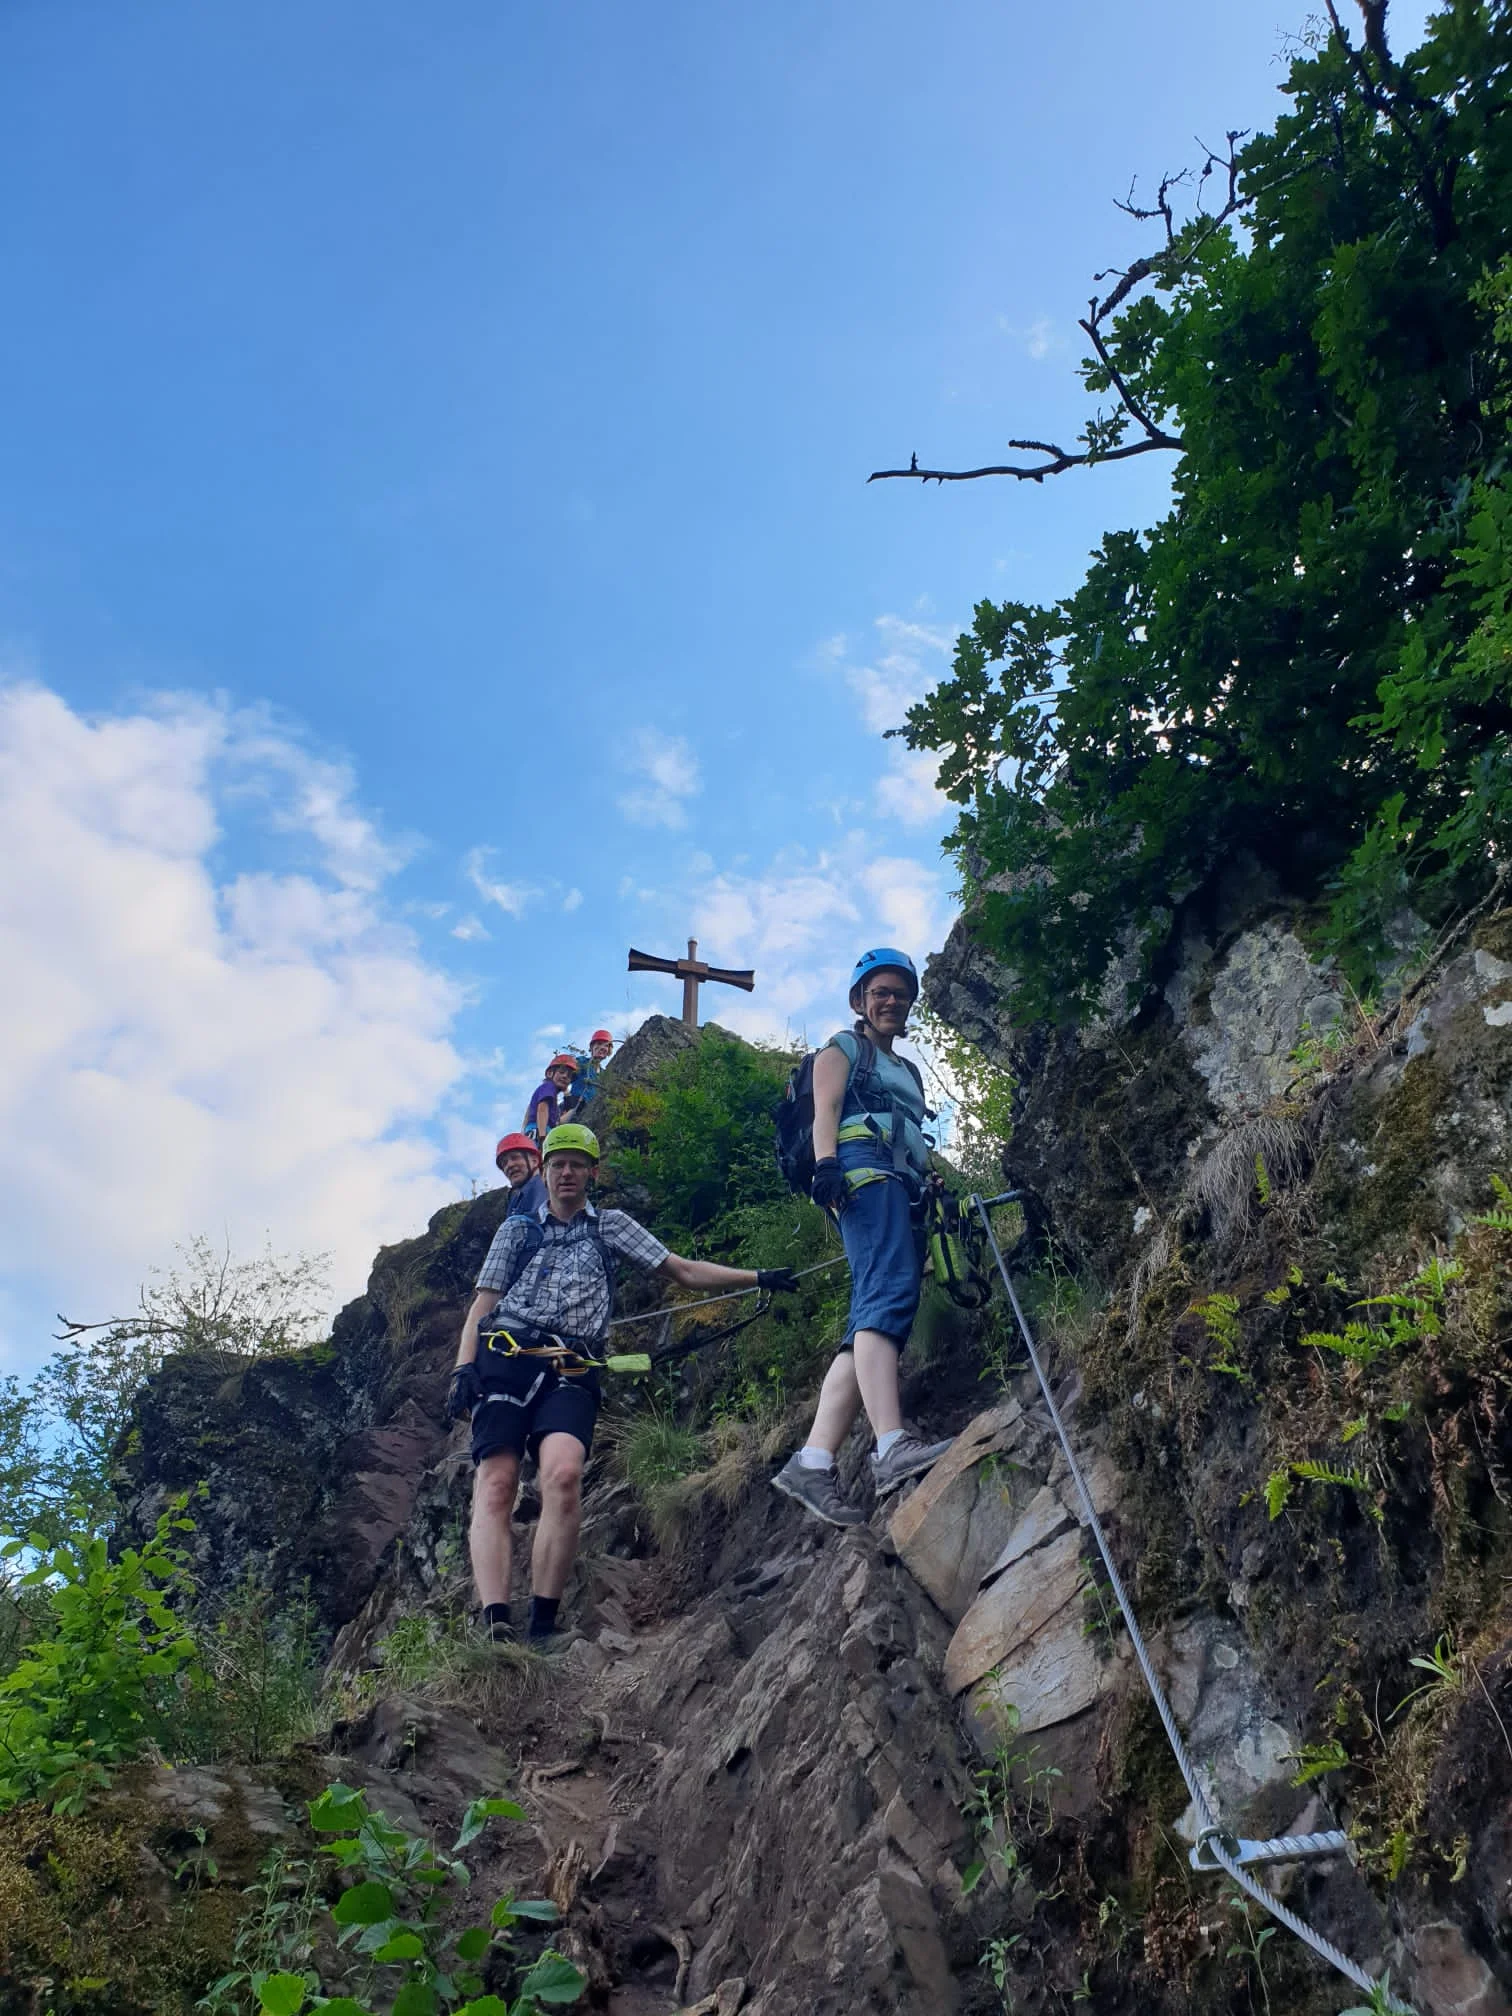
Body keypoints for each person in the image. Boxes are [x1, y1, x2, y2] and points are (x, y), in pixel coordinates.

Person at [447, 1122, 799, 1643]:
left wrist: (757, 1277)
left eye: (576, 1165)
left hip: (573, 1364)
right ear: (544, 1172)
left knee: (563, 1476)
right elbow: (485, 1303)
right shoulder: (517, 1230)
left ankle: (542, 1626)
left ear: (592, 1173)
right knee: (496, 1482)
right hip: (506, 1356)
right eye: (557, 1164)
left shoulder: (610, 1226)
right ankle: (497, 1625)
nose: (566, 1173)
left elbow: (681, 1270)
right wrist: (462, 1367)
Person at [771, 948, 953, 1528]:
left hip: (901, 1182)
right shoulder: (843, 1047)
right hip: (862, 1176)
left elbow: (911, 1131)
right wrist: (827, 1166)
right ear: (860, 1000)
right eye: (880, 991)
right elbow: (826, 1106)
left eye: (900, 992)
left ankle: (814, 1459)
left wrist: (928, 1175)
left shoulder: (908, 1071)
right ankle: (891, 1446)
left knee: (871, 1311)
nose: (891, 1000)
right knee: (888, 1294)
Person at [522, 1055, 579, 1142]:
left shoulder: (553, 1099)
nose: (565, 1077)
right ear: (550, 1074)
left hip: (542, 1131)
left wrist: (574, 1109)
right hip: (538, 1131)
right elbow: (542, 1109)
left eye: (569, 1076)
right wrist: (542, 1136)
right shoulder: (549, 1087)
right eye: (561, 1072)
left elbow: (558, 1123)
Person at [561, 1030, 614, 1121]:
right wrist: (567, 1097)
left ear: (609, 1050)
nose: (602, 1047)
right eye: (598, 1044)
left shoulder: (604, 1074)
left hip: (593, 1111)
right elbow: (564, 1078)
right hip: (576, 1107)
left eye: (605, 1045)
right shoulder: (582, 1062)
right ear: (592, 1047)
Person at [494, 1132, 546, 1220]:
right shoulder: (517, 1198)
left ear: (534, 1161)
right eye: (504, 1163)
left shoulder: (541, 1188)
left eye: (515, 1157)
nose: (509, 1165)